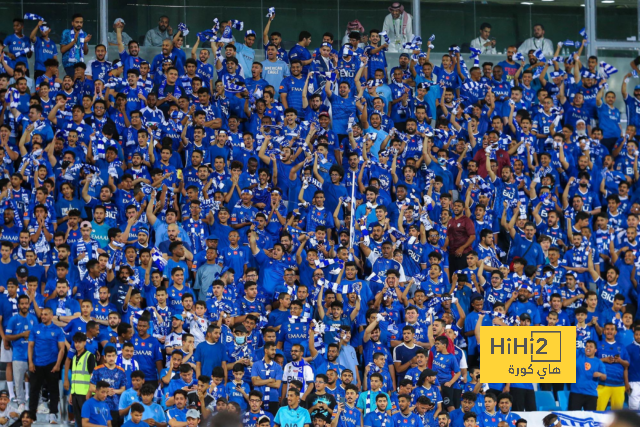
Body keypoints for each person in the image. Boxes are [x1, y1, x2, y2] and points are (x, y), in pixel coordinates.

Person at [27, 307, 65, 423]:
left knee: (53, 390)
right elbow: (30, 346)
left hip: (51, 364)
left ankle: (53, 414)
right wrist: (31, 363)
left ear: (51, 316)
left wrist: (58, 364)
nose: (42, 316)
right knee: (34, 390)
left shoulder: (58, 330)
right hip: (37, 364)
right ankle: (32, 415)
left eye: (45, 314)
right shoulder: (35, 328)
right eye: (42, 314)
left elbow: (62, 349)